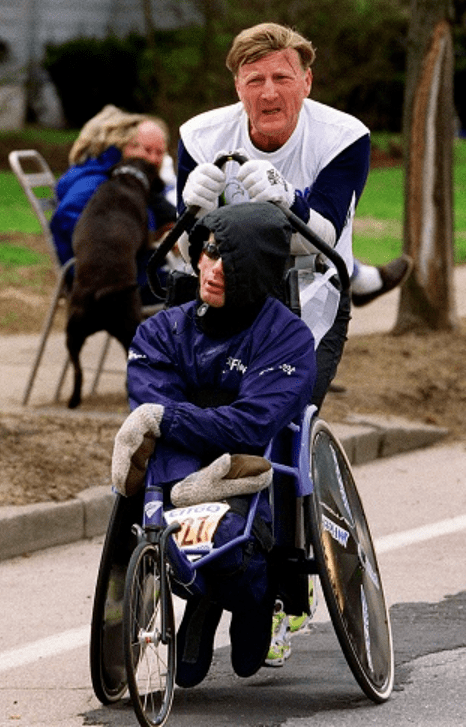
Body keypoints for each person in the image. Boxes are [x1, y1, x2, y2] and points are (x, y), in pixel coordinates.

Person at [111, 202, 316, 687]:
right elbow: (151, 422)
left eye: (232, 261)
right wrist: (185, 486)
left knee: (227, 540)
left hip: (251, 474)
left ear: (261, 271)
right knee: (176, 506)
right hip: (181, 477)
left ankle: (247, 597)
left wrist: (172, 419)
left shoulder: (289, 339)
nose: (214, 268)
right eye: (208, 252)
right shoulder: (159, 331)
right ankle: (204, 588)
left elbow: (250, 424)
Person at [176, 22, 412, 409]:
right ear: (237, 87)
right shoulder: (200, 137)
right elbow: (188, 255)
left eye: (282, 77)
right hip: (224, 292)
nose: (269, 92)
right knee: (197, 408)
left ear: (306, 82)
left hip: (311, 291)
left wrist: (289, 200)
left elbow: (322, 240)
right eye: (254, 80)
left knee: (284, 409)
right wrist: (194, 212)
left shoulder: (343, 137)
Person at [49, 104, 179, 303]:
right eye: (147, 150)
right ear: (125, 147)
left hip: (131, 275)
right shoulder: (98, 181)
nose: (153, 159)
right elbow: (68, 216)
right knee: (203, 296)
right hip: (109, 285)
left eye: (160, 153)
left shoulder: (125, 179)